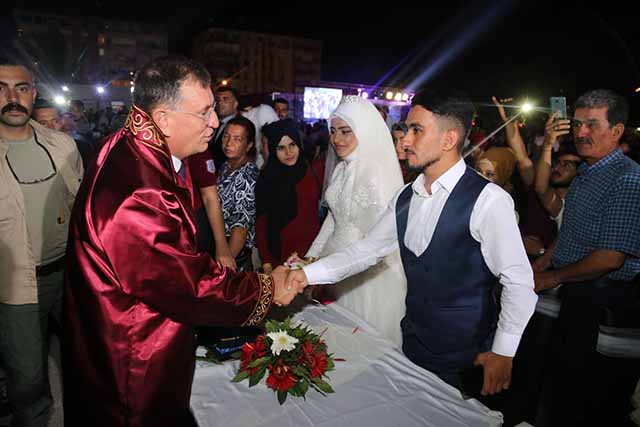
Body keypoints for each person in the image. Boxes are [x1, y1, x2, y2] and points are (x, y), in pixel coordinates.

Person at [62, 56, 302, 427]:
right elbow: (190, 284)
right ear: (163, 118)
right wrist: (267, 289)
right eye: (204, 112)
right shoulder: (140, 193)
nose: (215, 123)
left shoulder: (132, 146)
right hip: (132, 362)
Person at [288, 89, 537, 396]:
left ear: (449, 139)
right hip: (411, 343)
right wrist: (306, 274)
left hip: (467, 357)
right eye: (406, 130)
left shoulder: (489, 200)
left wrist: (503, 351)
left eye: (416, 130)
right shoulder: (405, 197)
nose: (405, 140)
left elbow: (519, 282)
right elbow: (366, 251)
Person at [534, 89, 640, 426]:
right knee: (560, 387)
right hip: (575, 292)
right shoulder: (586, 174)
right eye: (577, 124)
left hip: (602, 301)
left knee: (589, 399)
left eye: (592, 125)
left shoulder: (628, 179)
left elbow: (610, 259)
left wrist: (551, 277)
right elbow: (571, 232)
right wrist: (543, 262)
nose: (581, 133)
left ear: (617, 130)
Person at [0, 57, 83, 427]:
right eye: (1, 89)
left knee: (83, 360)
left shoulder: (63, 145)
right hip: (14, 286)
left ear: (33, 94)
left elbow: (82, 208)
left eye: (21, 88)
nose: (12, 98)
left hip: (69, 276)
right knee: (28, 379)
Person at [303, 95, 407, 346]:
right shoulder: (341, 168)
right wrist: (311, 256)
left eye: (345, 131)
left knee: (359, 344)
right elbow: (334, 218)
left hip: (365, 276)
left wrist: (328, 265)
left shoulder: (377, 174)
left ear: (363, 130)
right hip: (336, 266)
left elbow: (377, 241)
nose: (336, 139)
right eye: (333, 131)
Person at [255, 119, 324, 272]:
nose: (288, 152)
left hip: (312, 254)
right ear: (273, 149)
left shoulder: (313, 172)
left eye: (292, 145)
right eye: (281, 148)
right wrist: (266, 262)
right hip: (278, 257)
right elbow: (261, 223)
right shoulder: (266, 178)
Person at [216, 115, 260, 271]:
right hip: (220, 244)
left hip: (234, 252)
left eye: (237, 139)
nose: (229, 143)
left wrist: (225, 265)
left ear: (249, 145)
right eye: (226, 136)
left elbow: (241, 228)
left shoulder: (247, 175)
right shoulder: (225, 167)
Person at [210, 86, 240, 169]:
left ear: (235, 104)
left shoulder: (240, 125)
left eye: (225, 99)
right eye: (218, 100)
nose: (220, 103)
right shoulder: (214, 123)